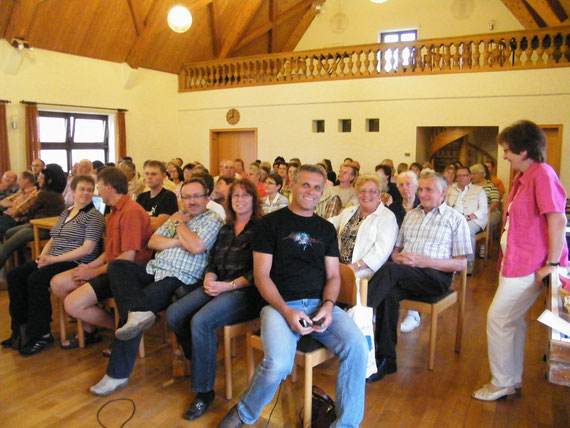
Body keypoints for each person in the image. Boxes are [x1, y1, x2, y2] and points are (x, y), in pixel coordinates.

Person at [218, 164, 367, 428]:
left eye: (317, 187)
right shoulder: (270, 224)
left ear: (322, 192)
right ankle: (243, 413)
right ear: (294, 186)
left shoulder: (325, 229)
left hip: (319, 306)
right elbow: (262, 276)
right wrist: (287, 312)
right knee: (278, 365)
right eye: (305, 185)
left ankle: (345, 426)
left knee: (357, 347)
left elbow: (333, 276)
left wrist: (329, 306)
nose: (311, 191)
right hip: (278, 306)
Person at [89, 177, 224, 396]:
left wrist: (179, 226)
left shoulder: (212, 220)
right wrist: (181, 240)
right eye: (187, 196)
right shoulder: (176, 217)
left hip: (180, 277)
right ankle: (137, 315)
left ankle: (116, 374)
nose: (191, 201)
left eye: (196, 196)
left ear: (207, 198)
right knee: (118, 267)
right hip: (155, 268)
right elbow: (153, 241)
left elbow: (197, 247)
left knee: (135, 309)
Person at [472, 120, 568, 401]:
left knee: (499, 319)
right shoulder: (524, 176)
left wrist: (552, 263)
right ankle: (510, 379)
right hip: (516, 261)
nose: (504, 155)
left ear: (525, 150)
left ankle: (501, 382)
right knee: (512, 322)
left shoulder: (542, 174)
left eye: (507, 150)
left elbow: (557, 219)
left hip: (530, 264)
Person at [167, 179, 262, 420]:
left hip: (245, 292)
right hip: (218, 284)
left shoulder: (261, 228)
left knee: (201, 321)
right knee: (175, 313)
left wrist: (227, 286)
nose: (239, 200)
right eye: (235, 196)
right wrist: (210, 277)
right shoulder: (226, 228)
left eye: (245, 195)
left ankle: (203, 392)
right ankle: (199, 357)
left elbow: (258, 272)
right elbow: (212, 262)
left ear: (253, 199)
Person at [365, 170, 471, 383]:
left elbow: (461, 263)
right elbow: (396, 250)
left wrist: (424, 261)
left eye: (428, 189)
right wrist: (399, 258)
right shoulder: (411, 215)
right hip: (405, 274)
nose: (422, 193)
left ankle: (358, 313)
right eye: (420, 189)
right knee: (389, 292)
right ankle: (386, 359)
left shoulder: (456, 219)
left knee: (389, 271)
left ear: (444, 191)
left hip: (435, 278)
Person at [50, 167, 153, 349]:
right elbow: (110, 251)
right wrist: (90, 267)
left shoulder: (131, 211)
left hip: (125, 274)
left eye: (98, 186)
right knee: (58, 283)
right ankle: (93, 329)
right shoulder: (114, 211)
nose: (96, 191)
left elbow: (126, 258)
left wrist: (93, 272)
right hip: (111, 267)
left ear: (109, 187)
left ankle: (123, 332)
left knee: (72, 304)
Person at [2, 175, 105, 355]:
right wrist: (42, 257)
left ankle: (41, 333)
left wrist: (53, 260)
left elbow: (87, 249)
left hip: (74, 261)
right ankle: (20, 329)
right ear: (72, 191)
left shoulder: (94, 217)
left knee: (36, 280)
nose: (86, 193)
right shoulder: (67, 212)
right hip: (54, 258)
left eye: (89, 190)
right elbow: (53, 237)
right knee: (15, 276)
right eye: (81, 189)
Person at [329, 174, 397, 281]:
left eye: (372, 191)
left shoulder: (387, 217)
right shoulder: (348, 212)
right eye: (362, 191)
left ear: (379, 194)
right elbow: (328, 225)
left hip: (364, 273)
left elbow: (380, 252)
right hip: (339, 268)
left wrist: (353, 267)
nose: (366, 195)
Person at [0, 165, 66, 269]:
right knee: (9, 232)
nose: (38, 180)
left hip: (42, 229)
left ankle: (17, 266)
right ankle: (19, 265)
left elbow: (31, 212)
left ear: (49, 180)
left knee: (7, 246)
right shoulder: (57, 193)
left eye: (40, 177)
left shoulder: (45, 194)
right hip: (39, 225)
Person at [388, 171, 423, 334]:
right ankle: (382, 309)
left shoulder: (423, 206)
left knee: (411, 263)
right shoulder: (393, 208)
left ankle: (413, 313)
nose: (404, 188)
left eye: (408, 184)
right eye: (401, 185)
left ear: (416, 186)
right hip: (395, 247)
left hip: (415, 249)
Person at [445, 166, 488, 275]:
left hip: (472, 220)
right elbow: (444, 205)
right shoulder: (451, 189)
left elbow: (483, 209)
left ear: (470, 177)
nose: (461, 178)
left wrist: (469, 216)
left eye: (464, 175)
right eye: (459, 175)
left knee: (466, 230)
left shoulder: (479, 190)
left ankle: (468, 262)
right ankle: (448, 261)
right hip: (453, 218)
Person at [137, 160, 178, 231]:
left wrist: (140, 221)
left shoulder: (169, 196)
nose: (149, 177)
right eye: (147, 174)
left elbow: (159, 225)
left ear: (163, 176)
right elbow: (132, 222)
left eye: (153, 174)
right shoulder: (141, 197)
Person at [470, 163, 501, 231]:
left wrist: (483, 212)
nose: (472, 176)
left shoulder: (491, 185)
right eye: (471, 174)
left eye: (474, 174)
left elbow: (495, 202)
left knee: (481, 222)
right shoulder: (470, 185)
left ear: (482, 174)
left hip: (490, 211)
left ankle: (484, 239)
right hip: (472, 211)